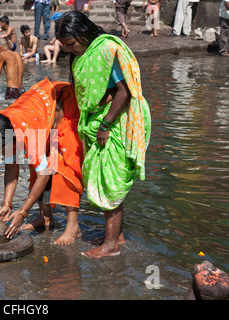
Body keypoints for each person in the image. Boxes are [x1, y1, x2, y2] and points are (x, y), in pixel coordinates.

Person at [56, 11, 151, 258]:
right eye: (65, 47)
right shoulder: (84, 55)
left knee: (109, 181)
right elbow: (96, 93)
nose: (69, 51)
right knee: (108, 180)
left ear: (83, 34)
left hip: (112, 124)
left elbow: (124, 91)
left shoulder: (106, 50)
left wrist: (105, 125)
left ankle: (111, 246)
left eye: (72, 44)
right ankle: (117, 236)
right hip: (96, 122)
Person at [0, 78, 84, 245]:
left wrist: (23, 211)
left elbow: (44, 175)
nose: (2, 156)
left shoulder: (27, 133)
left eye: (1, 152)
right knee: (35, 167)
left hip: (67, 106)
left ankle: (74, 226)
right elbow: (11, 168)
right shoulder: (2, 124)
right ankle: (46, 218)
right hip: (43, 117)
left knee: (63, 165)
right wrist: (7, 203)